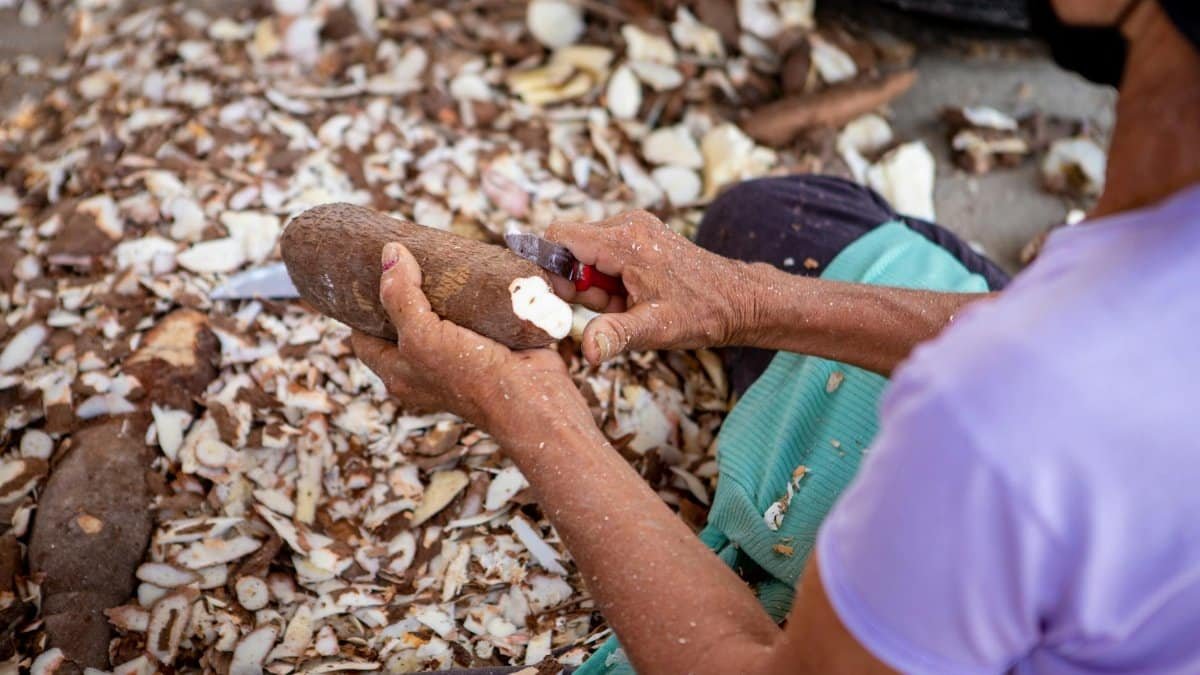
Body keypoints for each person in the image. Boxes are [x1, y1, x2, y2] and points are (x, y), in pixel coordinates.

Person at [352, 0, 1200, 672]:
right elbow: (1054, 335)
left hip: (993, 519)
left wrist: (524, 407)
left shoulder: (996, 420)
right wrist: (738, 298)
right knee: (766, 222)